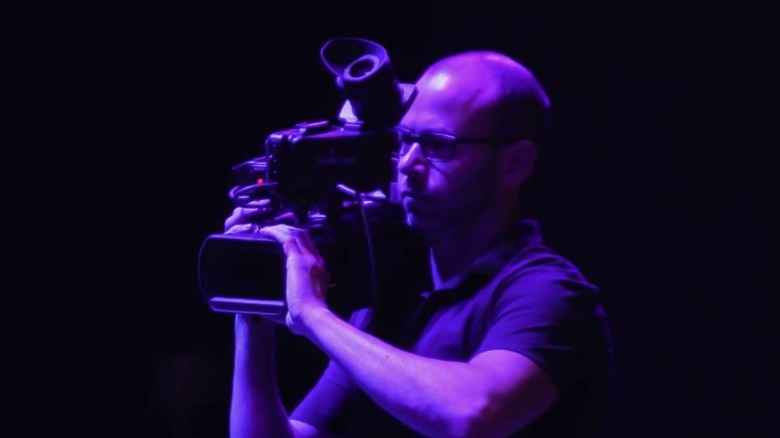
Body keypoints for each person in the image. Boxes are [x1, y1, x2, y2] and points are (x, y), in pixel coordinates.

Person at [223, 48, 614, 437]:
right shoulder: (397, 294)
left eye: (438, 145)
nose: (407, 163)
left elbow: (472, 415)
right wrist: (253, 308)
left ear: (514, 163)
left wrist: (312, 313)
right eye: (403, 141)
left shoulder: (549, 292)